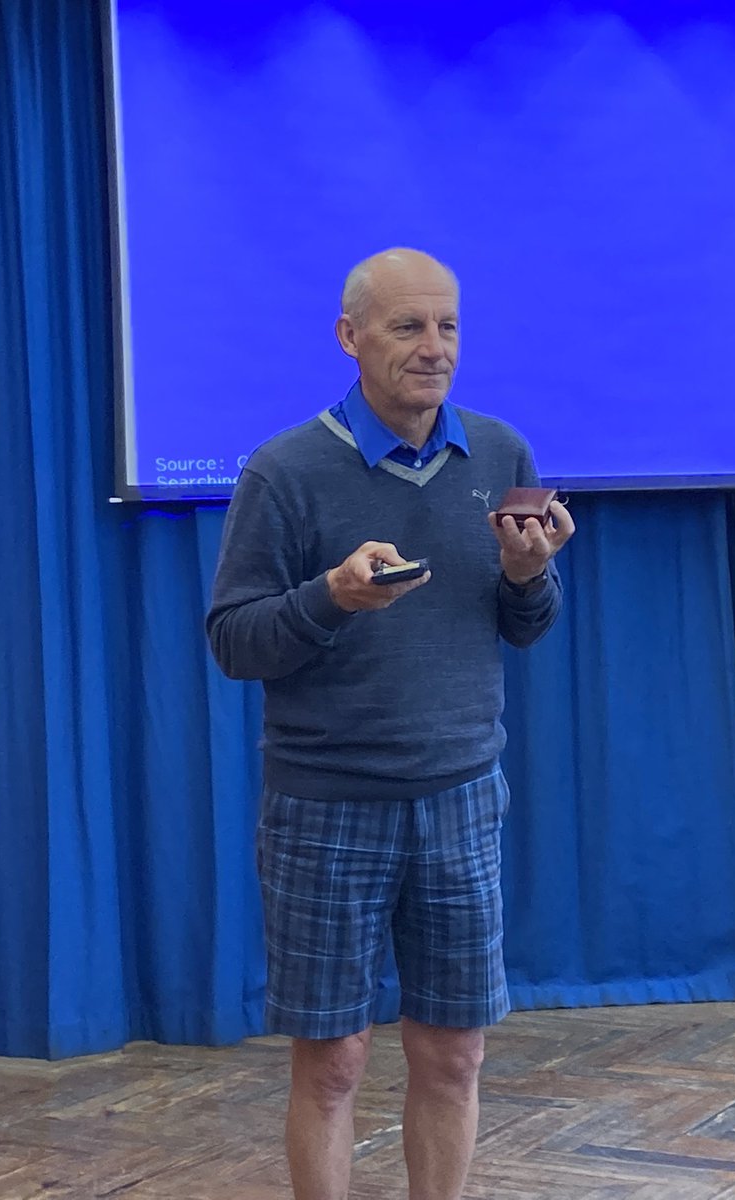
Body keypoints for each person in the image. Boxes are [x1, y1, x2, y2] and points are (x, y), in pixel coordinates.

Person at [206, 247, 575, 1200]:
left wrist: (532, 579)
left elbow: (522, 627)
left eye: (448, 326)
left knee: (454, 1058)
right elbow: (235, 642)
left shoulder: (499, 454)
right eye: (409, 326)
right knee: (332, 1066)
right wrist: (329, 598)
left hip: (462, 800)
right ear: (350, 338)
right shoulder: (283, 472)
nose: (434, 347)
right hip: (326, 809)